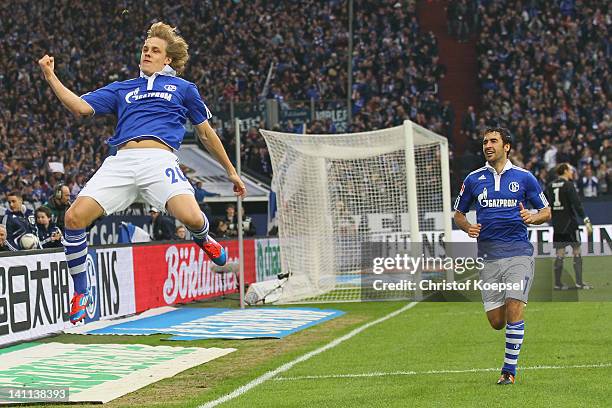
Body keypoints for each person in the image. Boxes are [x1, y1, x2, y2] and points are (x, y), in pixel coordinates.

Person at [38, 22, 246, 324]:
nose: (147, 53)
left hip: (158, 162)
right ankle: (81, 292)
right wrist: (50, 76)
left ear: (168, 60)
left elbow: (205, 133)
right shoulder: (123, 88)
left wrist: (232, 172)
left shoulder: (184, 89)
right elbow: (81, 108)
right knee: (72, 218)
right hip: (121, 162)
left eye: (155, 50)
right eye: (145, 49)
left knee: (190, 217)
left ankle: (205, 239)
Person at [453, 127, 551, 385]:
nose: (488, 145)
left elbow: (546, 211)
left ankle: (509, 371)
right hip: (488, 257)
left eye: (493, 141)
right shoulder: (473, 179)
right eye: (485, 141)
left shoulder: (525, 177)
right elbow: (459, 214)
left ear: (506, 146)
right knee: (497, 321)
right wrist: (467, 227)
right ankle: (511, 332)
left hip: (519, 253)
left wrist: (533, 217)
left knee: (515, 305)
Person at [545, 163, 593, 290]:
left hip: (557, 225)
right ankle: (579, 283)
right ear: (565, 171)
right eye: (570, 170)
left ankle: (558, 284)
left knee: (560, 254)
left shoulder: (550, 186)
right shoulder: (568, 185)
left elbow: (543, 201)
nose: (572, 172)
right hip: (570, 224)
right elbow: (577, 205)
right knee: (577, 251)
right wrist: (586, 220)